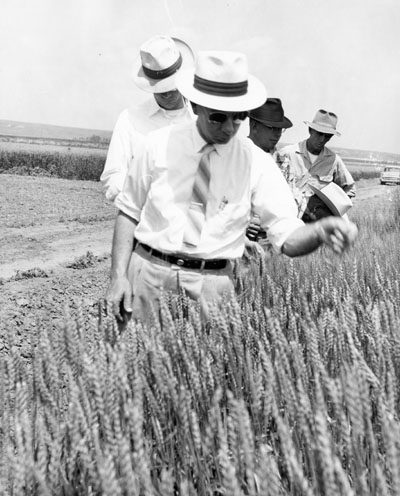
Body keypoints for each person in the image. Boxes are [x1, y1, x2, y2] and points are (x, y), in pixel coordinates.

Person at [105, 51, 358, 324]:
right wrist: (118, 276)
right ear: (197, 105)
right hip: (148, 276)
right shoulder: (156, 144)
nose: (229, 128)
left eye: (238, 117)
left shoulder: (257, 163)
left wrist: (318, 231)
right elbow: (129, 213)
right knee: (138, 363)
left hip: (213, 287)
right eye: (218, 117)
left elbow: (286, 236)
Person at [100, 35, 194, 201]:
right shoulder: (129, 119)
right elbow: (114, 174)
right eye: (160, 87)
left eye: (171, 85)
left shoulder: (200, 119)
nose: (166, 92)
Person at [279, 109, 356, 222]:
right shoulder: (287, 154)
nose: (322, 139)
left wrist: (334, 208)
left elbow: (349, 188)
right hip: (290, 220)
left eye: (327, 136)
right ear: (310, 130)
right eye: (319, 134)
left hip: (318, 224)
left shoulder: (333, 160)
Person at [246, 98, 305, 244]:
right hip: (240, 240)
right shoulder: (237, 156)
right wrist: (243, 221)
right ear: (254, 125)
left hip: (273, 239)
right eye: (272, 128)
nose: (277, 134)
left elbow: (294, 200)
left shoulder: (283, 162)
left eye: (280, 129)